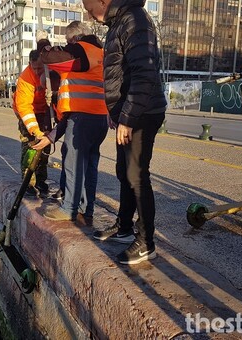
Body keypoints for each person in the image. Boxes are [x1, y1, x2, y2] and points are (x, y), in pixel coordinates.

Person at [82, 0, 167, 264]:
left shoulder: (135, 20)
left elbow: (144, 74)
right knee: (124, 171)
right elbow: (120, 73)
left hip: (143, 112)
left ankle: (146, 242)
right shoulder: (119, 22)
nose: (88, 14)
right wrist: (115, 113)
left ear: (102, 2)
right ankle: (124, 227)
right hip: (129, 112)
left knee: (137, 175)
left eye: (88, 7)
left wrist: (127, 119)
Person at [33, 21, 108, 226]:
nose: (67, 46)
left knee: (73, 165)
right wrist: (51, 136)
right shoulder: (101, 53)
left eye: (68, 41)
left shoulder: (81, 49)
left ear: (75, 38)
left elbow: (48, 58)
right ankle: (86, 211)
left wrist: (42, 41)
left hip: (82, 117)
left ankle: (69, 209)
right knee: (90, 166)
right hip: (99, 118)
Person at [13, 47, 52, 197]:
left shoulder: (49, 73)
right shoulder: (25, 79)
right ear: (29, 63)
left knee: (45, 149)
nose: (37, 72)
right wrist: (35, 131)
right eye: (34, 68)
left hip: (44, 112)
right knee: (30, 147)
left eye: (40, 68)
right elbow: (24, 108)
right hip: (26, 113)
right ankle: (28, 182)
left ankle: (41, 180)